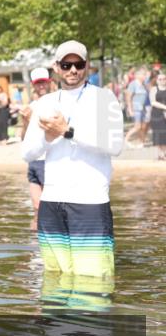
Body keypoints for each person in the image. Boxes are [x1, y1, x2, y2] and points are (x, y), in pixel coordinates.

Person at [21, 41, 124, 278]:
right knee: (55, 281)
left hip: (89, 201)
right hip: (51, 203)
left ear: (86, 66)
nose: (72, 70)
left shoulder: (104, 98)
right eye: (66, 65)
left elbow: (114, 146)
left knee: (93, 282)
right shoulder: (45, 102)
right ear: (56, 67)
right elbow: (27, 153)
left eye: (78, 64)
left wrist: (68, 132)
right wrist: (48, 137)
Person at [19, 68, 54, 231]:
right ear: (33, 85)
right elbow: (23, 137)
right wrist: (25, 121)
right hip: (34, 161)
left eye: (43, 82)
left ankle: (51, 243)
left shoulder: (56, 103)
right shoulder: (30, 107)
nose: (41, 86)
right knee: (37, 208)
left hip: (49, 160)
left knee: (49, 208)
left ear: (49, 82)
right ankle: (35, 249)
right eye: (38, 83)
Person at [124, 69, 149, 147]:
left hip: (143, 109)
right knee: (137, 126)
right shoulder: (133, 84)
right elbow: (128, 97)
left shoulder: (144, 84)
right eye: (143, 75)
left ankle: (142, 142)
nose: (145, 76)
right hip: (136, 108)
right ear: (138, 76)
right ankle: (126, 139)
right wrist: (130, 109)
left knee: (142, 127)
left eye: (145, 75)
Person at [149, 71, 166, 161]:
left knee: (164, 134)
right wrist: (165, 108)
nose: (162, 80)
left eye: (164, 79)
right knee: (158, 133)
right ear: (157, 80)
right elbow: (153, 102)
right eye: (160, 79)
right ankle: (159, 154)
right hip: (157, 114)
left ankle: (163, 154)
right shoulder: (154, 89)